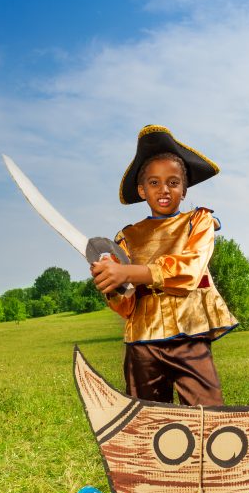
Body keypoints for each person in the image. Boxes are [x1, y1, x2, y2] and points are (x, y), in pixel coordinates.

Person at [91, 125, 237, 406]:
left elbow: (190, 270)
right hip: (142, 341)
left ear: (184, 190)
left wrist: (129, 271)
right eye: (154, 183)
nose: (164, 189)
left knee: (208, 414)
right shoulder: (127, 237)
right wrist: (111, 283)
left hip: (190, 335)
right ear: (141, 190)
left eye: (173, 182)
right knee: (147, 418)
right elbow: (126, 305)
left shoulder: (199, 221)